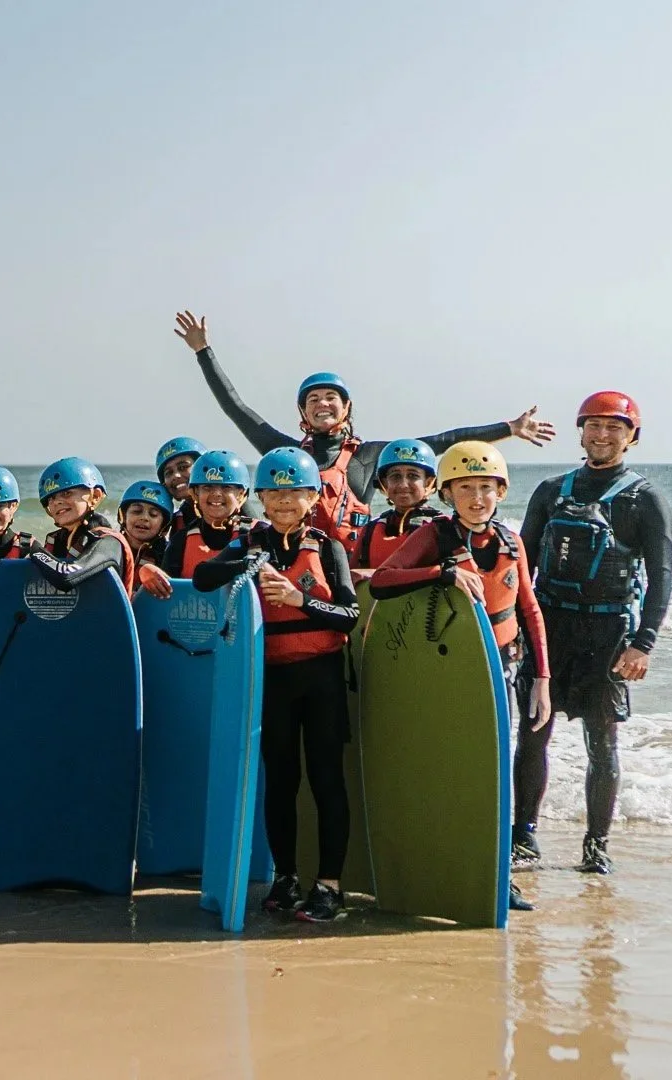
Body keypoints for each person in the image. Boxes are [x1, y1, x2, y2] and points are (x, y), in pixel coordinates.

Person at [171, 310, 555, 552]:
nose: (322, 404)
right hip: (295, 564)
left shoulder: (370, 455)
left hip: (354, 573)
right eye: (313, 399)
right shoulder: (286, 454)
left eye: (331, 397)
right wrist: (203, 352)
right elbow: (237, 409)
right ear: (303, 411)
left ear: (346, 407)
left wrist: (510, 428)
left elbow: (440, 441)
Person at [368, 441, 552, 912]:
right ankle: (437, 862)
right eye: (465, 488)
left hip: (505, 667)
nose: (477, 498)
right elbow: (383, 581)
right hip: (451, 670)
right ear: (447, 492)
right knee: (451, 768)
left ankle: (498, 875)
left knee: (496, 772)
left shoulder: (512, 541)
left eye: (486, 488)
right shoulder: (434, 534)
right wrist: (441, 571)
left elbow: (529, 607)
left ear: (500, 491)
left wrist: (543, 678)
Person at [192, 447, 360, 923]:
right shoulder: (250, 541)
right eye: (275, 493)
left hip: (322, 679)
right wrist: (249, 563)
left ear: (312, 497)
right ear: (261, 497)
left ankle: (329, 885)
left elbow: (348, 615)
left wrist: (297, 597)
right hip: (273, 679)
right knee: (281, 782)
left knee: (327, 781)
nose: (285, 502)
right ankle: (285, 877)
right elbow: (204, 577)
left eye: (295, 493)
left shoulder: (329, 548)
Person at [515, 392, 672, 874]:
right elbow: (520, 565)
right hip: (550, 629)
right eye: (594, 426)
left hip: (608, 635)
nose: (603, 435)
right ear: (580, 431)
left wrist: (642, 643)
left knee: (602, 745)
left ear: (632, 437)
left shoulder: (645, 499)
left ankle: (596, 843)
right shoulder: (550, 490)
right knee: (532, 736)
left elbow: (663, 575)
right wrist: (518, 629)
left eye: (615, 427)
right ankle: (524, 836)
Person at [28, 458, 135, 593]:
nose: (57, 502)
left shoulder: (109, 542)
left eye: (67, 493)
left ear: (95, 496)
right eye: (51, 498)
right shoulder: (57, 540)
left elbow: (65, 576)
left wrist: (33, 548)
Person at [350, 439, 444, 578]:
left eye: (413, 476)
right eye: (395, 476)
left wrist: (375, 575)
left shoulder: (443, 529)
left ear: (429, 482)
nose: (403, 484)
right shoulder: (369, 531)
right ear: (384, 484)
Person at [162, 449, 254, 577]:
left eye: (226, 487)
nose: (216, 493)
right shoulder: (179, 541)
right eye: (207, 487)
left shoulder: (258, 534)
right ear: (194, 493)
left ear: (241, 494)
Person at [117, 480, 177, 598]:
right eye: (137, 511)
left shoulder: (168, 554)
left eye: (153, 514)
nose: (144, 518)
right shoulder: (109, 546)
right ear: (122, 516)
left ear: (165, 527)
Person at [154, 436, 207, 532]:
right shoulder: (177, 522)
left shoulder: (235, 505)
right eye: (169, 473)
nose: (176, 476)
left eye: (183, 467)